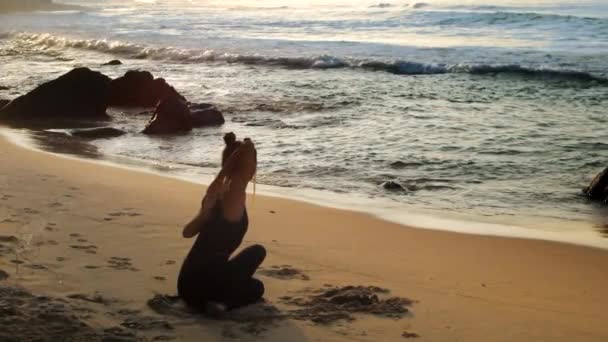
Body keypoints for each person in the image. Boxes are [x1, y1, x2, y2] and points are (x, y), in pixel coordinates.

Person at [178, 133, 266, 314]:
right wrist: (247, 146)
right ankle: (221, 304)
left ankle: (217, 300)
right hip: (206, 285)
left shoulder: (213, 193)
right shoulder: (235, 193)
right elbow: (245, 160)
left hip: (186, 285)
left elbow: (187, 232)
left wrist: (204, 214)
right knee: (256, 278)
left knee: (255, 268)